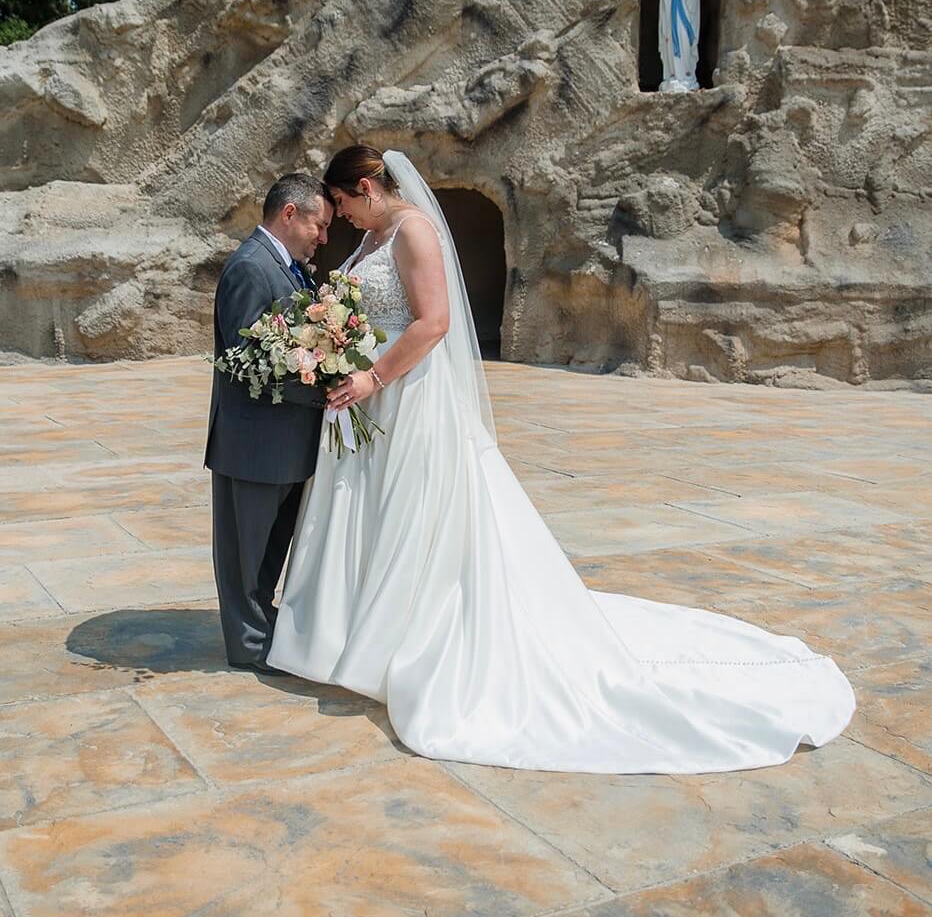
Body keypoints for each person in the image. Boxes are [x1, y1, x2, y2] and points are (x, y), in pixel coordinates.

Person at [267, 146, 855, 774]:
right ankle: (351, 632)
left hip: (405, 395)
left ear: (365, 188)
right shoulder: (373, 236)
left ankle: (400, 634)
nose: (340, 219)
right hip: (371, 398)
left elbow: (434, 322)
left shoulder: (414, 231)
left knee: (412, 512)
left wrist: (374, 376)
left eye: (343, 204)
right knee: (371, 511)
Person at [206, 173, 333, 674]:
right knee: (244, 555)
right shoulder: (250, 267)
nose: (323, 237)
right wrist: (322, 389)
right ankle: (248, 646)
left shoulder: (293, 269)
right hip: (253, 445)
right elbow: (243, 363)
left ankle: (264, 629)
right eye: (319, 225)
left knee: (269, 551)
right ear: (289, 214)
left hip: (287, 443)